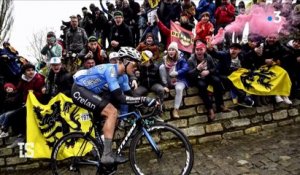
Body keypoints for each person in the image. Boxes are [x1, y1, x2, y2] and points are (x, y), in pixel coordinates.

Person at [71, 47, 158, 164]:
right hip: (79, 90)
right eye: (135, 63)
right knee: (112, 112)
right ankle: (107, 155)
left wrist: (147, 103)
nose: (137, 67)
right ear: (126, 61)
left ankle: (101, 148)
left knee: (114, 118)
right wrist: (144, 99)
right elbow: (120, 98)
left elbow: (129, 96)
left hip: (92, 93)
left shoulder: (123, 77)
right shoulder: (111, 70)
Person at [188, 42, 229, 120]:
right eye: (197, 50)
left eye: (201, 49)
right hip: (198, 78)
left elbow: (214, 69)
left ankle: (220, 104)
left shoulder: (208, 57)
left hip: (207, 76)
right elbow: (190, 75)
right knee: (202, 86)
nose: (199, 51)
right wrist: (197, 69)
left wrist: (208, 72)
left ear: (204, 50)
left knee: (217, 80)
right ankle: (210, 109)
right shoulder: (191, 60)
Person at [159, 42, 189, 118]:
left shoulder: (181, 59)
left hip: (179, 79)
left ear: (176, 51)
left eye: (173, 50)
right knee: (161, 67)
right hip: (169, 80)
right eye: (169, 50)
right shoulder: (165, 59)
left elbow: (186, 68)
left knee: (179, 89)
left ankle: (176, 109)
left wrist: (177, 72)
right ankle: (165, 85)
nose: (171, 52)